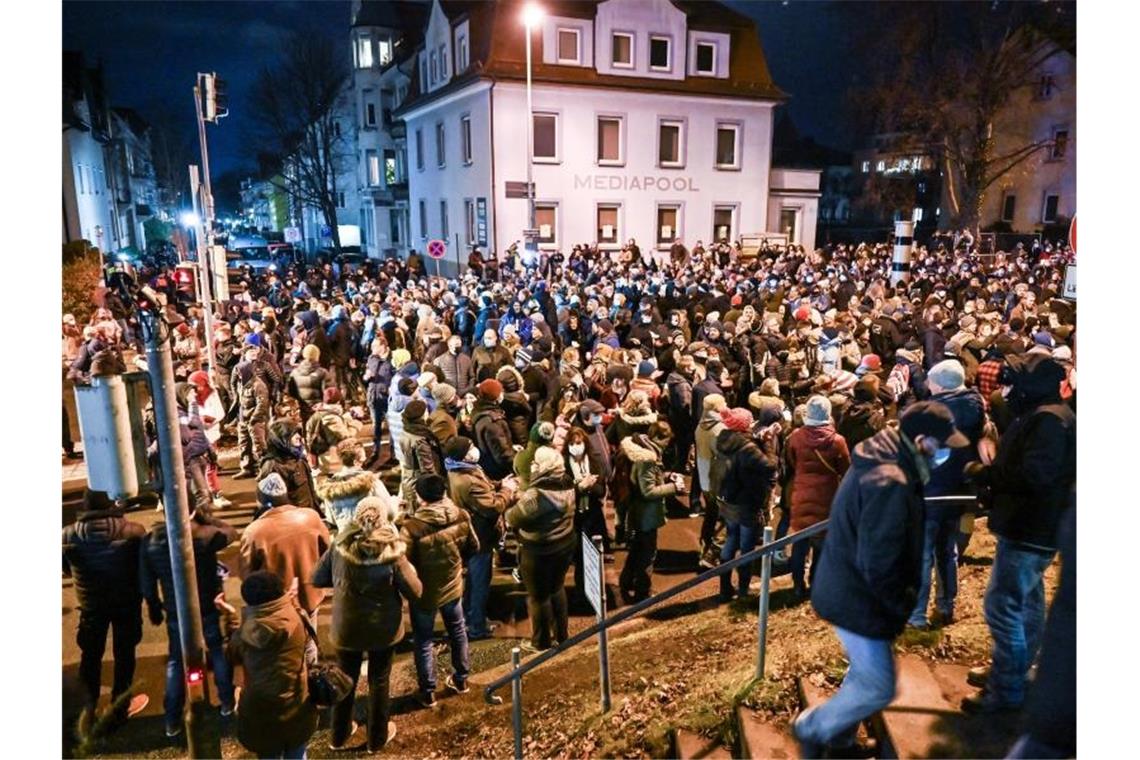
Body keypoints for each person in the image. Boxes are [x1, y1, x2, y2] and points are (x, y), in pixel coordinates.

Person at [793, 402, 970, 758]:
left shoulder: (887, 459)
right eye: (943, 445)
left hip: (848, 588)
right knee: (878, 687)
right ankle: (812, 727)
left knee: (866, 675)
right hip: (858, 598)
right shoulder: (889, 481)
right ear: (922, 441)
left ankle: (839, 739)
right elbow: (880, 561)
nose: (946, 453)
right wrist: (898, 606)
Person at [961, 354, 1075, 714]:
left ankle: (1006, 688)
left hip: (1029, 528)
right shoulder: (1046, 416)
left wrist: (986, 473)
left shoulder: (1048, 422)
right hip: (1031, 526)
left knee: (1003, 607)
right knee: (1027, 604)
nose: (1006, 390)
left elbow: (1035, 477)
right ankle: (1016, 669)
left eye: (1013, 382)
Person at [312, 498, 423, 751]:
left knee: (343, 678)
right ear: (384, 519)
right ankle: (377, 738)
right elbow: (415, 591)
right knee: (379, 680)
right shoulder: (392, 553)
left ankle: (338, 736)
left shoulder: (339, 547)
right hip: (382, 629)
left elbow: (317, 577)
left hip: (346, 627)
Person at [140, 506, 239, 736]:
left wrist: (155, 607)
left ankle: (172, 719)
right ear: (193, 510)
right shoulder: (205, 534)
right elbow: (230, 532)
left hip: (176, 611)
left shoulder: (151, 541)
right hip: (208, 606)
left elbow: (146, 582)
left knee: (177, 660)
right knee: (216, 651)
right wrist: (207, 517)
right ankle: (226, 702)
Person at [907, 359, 986, 630]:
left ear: (939, 384)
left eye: (930, 380)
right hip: (961, 489)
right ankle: (946, 605)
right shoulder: (977, 407)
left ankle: (916, 615)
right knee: (948, 550)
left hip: (930, 491)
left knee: (922, 554)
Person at [62, 490, 149, 730]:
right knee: (125, 654)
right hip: (127, 601)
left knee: (89, 657)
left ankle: (86, 713)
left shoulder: (67, 535)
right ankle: (120, 708)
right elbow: (142, 565)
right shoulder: (134, 531)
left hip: (91, 605)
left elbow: (66, 569)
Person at [219, 571, 319, 760]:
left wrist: (230, 617)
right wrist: (292, 601)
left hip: (260, 713)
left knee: (268, 754)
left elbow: (231, 654)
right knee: (297, 752)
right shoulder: (297, 618)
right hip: (297, 704)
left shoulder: (244, 634)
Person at [400, 474, 479, 705]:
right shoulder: (461, 515)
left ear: (421, 498)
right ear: (443, 493)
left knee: (424, 640)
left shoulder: (412, 528)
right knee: (458, 630)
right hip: (453, 586)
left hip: (424, 593)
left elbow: (403, 563)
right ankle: (462, 679)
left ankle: (428, 691)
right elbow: (473, 547)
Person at [240, 473, 331, 664]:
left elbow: (247, 576)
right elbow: (328, 552)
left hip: (275, 602)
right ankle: (311, 680)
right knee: (309, 641)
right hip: (310, 593)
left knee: (282, 650)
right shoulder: (311, 517)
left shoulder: (255, 531)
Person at [444, 436, 516, 640]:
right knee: (479, 582)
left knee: (474, 582)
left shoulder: (461, 469)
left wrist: (500, 483)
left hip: (475, 533)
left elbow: (484, 484)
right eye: (470, 447)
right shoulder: (465, 480)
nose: (475, 449)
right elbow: (492, 507)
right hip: (480, 536)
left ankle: (470, 617)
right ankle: (476, 626)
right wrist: (507, 491)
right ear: (463, 455)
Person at [506, 447, 577, 651]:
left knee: (538, 597)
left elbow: (513, 517)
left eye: (537, 462)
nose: (533, 465)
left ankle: (541, 642)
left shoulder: (536, 496)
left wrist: (512, 499)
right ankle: (562, 635)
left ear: (545, 467)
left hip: (538, 550)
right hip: (564, 543)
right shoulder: (567, 481)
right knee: (557, 588)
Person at [785, 395, 850, 600]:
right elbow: (845, 470)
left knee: (800, 541)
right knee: (822, 545)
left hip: (802, 492)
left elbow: (792, 461)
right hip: (827, 495)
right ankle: (816, 583)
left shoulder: (795, 436)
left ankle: (797, 585)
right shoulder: (837, 441)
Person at [714, 408, 779, 601]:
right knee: (747, 547)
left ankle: (725, 588)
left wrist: (758, 439)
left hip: (729, 499)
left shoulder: (725, 439)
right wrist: (767, 443)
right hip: (747, 502)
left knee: (730, 540)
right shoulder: (747, 447)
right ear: (743, 426)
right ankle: (743, 590)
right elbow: (770, 465)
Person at [618, 422, 683, 604]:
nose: (668, 445)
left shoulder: (641, 448)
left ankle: (626, 582)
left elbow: (649, 479)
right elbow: (648, 491)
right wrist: (673, 488)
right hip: (646, 515)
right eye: (667, 441)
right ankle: (642, 593)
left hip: (637, 512)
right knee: (647, 554)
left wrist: (668, 475)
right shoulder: (647, 459)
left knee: (636, 551)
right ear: (659, 439)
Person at [564, 426, 607, 599]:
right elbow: (564, 492)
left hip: (593, 516)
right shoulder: (563, 464)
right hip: (574, 518)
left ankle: (594, 590)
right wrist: (580, 486)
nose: (576, 446)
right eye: (572, 443)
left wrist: (589, 487)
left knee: (595, 555)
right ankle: (581, 592)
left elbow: (601, 490)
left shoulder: (595, 461)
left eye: (579, 443)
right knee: (580, 558)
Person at [316, 439, 391, 532]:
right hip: (372, 536)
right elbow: (390, 513)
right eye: (363, 459)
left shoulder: (330, 489)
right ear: (356, 462)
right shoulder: (373, 483)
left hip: (346, 538)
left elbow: (331, 519)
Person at [258, 419, 320, 513]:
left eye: (298, 433)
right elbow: (270, 500)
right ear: (281, 437)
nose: (298, 437)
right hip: (292, 518)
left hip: (309, 515)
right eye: (293, 434)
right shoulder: (272, 465)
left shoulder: (299, 459)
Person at [398, 398, 446, 513]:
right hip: (419, 484)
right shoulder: (420, 440)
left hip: (409, 478)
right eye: (425, 412)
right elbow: (427, 470)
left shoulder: (406, 430)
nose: (427, 413)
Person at [471, 378, 517, 480]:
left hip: (488, 464)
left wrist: (512, 448)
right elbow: (502, 455)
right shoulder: (493, 423)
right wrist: (516, 465)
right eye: (500, 392)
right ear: (494, 397)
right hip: (499, 473)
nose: (502, 394)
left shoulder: (478, 410)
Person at [233, 360, 270, 479]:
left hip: (255, 420)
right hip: (243, 419)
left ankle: (264, 470)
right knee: (244, 444)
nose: (238, 375)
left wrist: (254, 419)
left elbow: (262, 404)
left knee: (259, 446)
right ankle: (246, 468)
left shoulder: (258, 385)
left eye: (239, 372)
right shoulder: (241, 384)